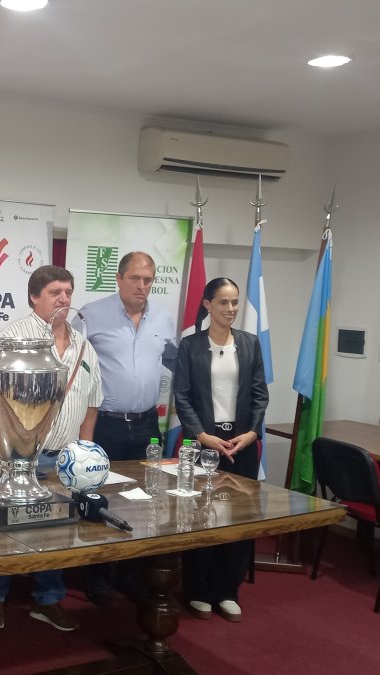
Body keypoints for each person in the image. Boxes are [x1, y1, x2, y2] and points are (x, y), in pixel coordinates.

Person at [0, 265, 103, 632]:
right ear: (35, 297)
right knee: (5, 530)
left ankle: (48, 599)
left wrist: (84, 452)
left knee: (57, 532)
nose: (63, 299)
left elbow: (92, 402)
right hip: (19, 457)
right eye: (55, 292)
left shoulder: (83, 344)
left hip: (64, 459)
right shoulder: (12, 335)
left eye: (68, 292)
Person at [71, 251, 177, 604]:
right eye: (135, 278)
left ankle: (130, 576)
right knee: (101, 499)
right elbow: (71, 365)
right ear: (119, 279)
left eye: (148, 280)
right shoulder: (91, 315)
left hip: (147, 424)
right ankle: (98, 578)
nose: (142, 286)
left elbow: (177, 362)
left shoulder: (163, 318)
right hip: (105, 424)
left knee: (143, 502)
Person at [173, 277, 268, 623]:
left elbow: (260, 394)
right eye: (223, 302)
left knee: (237, 520)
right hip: (205, 445)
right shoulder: (191, 346)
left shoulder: (250, 344)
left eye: (235, 303)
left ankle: (228, 590)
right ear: (207, 304)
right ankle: (198, 590)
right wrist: (200, 435)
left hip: (241, 445)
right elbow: (181, 395)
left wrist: (252, 433)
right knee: (202, 518)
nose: (230, 309)